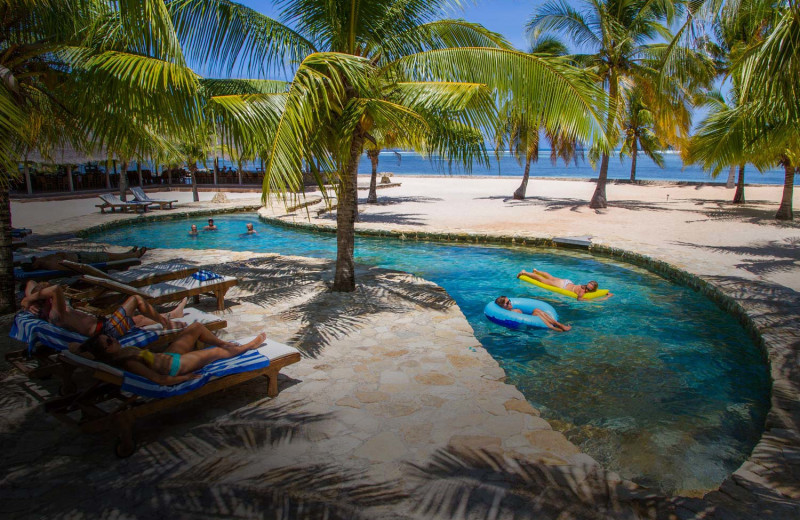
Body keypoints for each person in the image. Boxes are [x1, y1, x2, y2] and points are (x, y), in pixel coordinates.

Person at [74, 323, 267, 385]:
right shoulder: (128, 362)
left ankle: (225, 342)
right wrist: (187, 377)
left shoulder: (116, 353)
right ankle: (247, 347)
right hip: (175, 366)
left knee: (196, 328)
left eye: (109, 337)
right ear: (106, 350)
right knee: (215, 352)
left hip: (167, 356)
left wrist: (84, 348)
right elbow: (159, 379)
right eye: (109, 341)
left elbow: (73, 347)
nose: (113, 339)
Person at [21, 281, 187, 337]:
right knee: (135, 299)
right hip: (105, 332)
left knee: (139, 320)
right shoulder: (57, 313)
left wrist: (28, 300)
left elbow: (30, 283)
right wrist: (30, 299)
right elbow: (55, 288)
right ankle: (167, 324)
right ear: (47, 299)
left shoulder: (44, 311)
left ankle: (173, 314)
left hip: (103, 326)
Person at [21, 247, 147, 272]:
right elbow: (67, 266)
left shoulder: (45, 260)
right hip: (83, 261)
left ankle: (126, 256)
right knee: (106, 256)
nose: (35, 258)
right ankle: (131, 257)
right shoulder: (49, 265)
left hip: (81, 257)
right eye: (34, 261)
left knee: (106, 255)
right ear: (35, 266)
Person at [517, 268, 607, 301]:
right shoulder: (583, 290)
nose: (588, 289)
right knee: (541, 280)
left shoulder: (584, 286)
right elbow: (579, 299)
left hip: (568, 282)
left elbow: (601, 291)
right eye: (588, 287)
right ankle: (524, 272)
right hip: (562, 286)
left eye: (590, 288)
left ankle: (536, 271)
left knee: (551, 277)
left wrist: (606, 294)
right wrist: (597, 300)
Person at [495, 296, 571, 332]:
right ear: (502, 306)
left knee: (536, 310)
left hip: (528, 322)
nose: (510, 303)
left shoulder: (513, 309)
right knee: (537, 312)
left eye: (509, 301)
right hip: (525, 327)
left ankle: (558, 326)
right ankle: (556, 327)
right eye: (507, 303)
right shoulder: (510, 313)